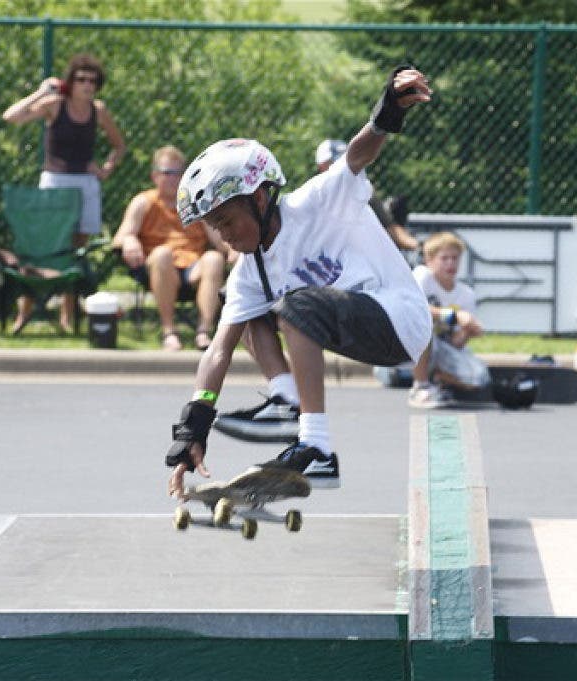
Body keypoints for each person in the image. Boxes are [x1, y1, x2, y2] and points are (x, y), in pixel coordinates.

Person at [165, 66, 433, 498]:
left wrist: (386, 116)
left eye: (227, 221)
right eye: (215, 228)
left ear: (258, 198)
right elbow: (219, 348)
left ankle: (317, 447)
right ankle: (287, 399)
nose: (225, 236)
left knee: (297, 305)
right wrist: (194, 426)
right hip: (349, 325)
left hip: (399, 319)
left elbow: (358, 156)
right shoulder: (252, 270)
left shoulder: (315, 202)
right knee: (248, 310)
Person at [1, 53, 126, 333]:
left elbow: (119, 146)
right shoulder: (53, 105)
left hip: (86, 184)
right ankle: (24, 314)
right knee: (41, 246)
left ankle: (66, 317)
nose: (87, 85)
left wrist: (106, 169)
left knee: (76, 252)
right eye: (81, 79)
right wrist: (40, 91)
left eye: (92, 80)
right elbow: (11, 117)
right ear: (71, 81)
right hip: (55, 183)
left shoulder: (99, 110)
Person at [111, 146, 235, 351]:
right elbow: (120, 237)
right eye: (167, 173)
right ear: (154, 176)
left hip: (193, 268)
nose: (173, 178)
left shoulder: (195, 203)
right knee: (162, 254)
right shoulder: (144, 202)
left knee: (214, 258)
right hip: (159, 268)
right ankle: (169, 331)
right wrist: (130, 240)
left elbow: (220, 241)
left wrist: (235, 250)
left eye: (179, 173)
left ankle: (204, 331)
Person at [407, 231, 490, 408]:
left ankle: (437, 378)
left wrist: (468, 331)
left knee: (478, 378)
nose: (450, 263)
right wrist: (454, 316)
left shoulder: (466, 294)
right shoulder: (423, 277)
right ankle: (419, 386)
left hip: (441, 349)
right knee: (423, 326)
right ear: (429, 260)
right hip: (411, 347)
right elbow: (415, 309)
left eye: (455, 258)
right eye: (444, 258)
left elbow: (455, 343)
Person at [316, 138, 421, 255]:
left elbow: (390, 227)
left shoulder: (364, 191)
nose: (343, 167)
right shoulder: (313, 197)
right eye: (335, 162)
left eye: (345, 161)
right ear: (322, 165)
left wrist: (419, 246)